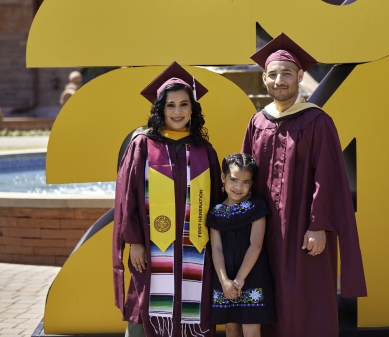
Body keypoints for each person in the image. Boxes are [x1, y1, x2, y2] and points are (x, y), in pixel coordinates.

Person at [242, 33, 367, 337]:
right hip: (263, 231)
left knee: (305, 301)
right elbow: (243, 177)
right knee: (267, 298)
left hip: (303, 231)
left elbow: (328, 177)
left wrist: (319, 225)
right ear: (264, 79)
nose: (279, 80)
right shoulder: (257, 122)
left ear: (300, 76)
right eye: (273, 74)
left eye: (286, 73)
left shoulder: (317, 121)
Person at [113, 62, 222, 337]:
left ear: (192, 109)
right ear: (160, 108)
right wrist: (135, 241)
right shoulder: (143, 145)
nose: (177, 111)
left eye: (184, 104)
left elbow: (217, 202)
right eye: (170, 105)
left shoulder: (204, 150)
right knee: (147, 304)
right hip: (151, 248)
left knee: (193, 308)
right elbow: (127, 198)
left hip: (195, 250)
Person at [207, 154, 276, 337]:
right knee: (231, 328)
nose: (239, 187)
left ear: (251, 183)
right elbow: (216, 249)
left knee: (251, 329)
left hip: (252, 275)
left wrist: (238, 280)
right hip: (225, 278)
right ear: (223, 178)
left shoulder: (256, 207)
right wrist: (224, 282)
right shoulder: (215, 213)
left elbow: (256, 244)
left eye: (246, 182)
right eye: (234, 180)